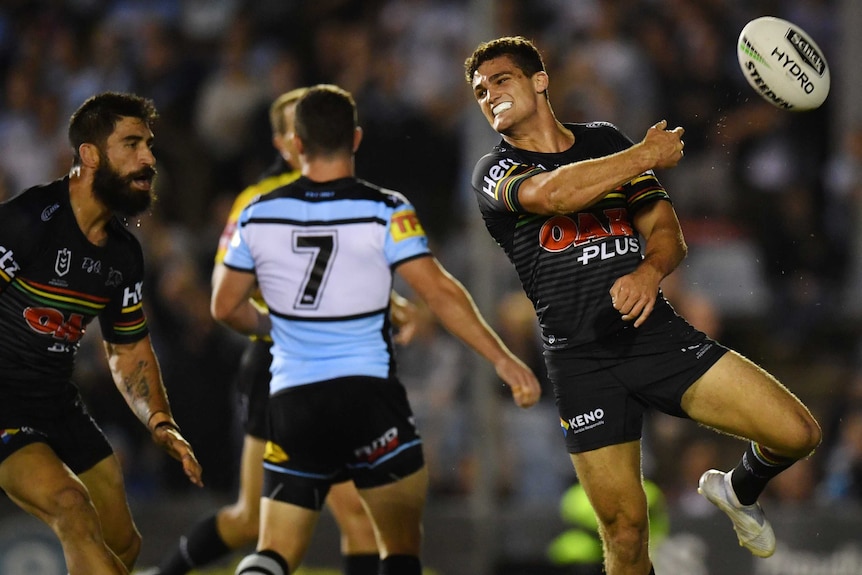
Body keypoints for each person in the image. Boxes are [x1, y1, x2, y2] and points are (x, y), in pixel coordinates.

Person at [463, 36, 821, 575]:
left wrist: (649, 272)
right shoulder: (493, 169)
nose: (489, 95)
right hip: (582, 362)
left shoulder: (604, 140)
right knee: (626, 534)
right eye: (479, 91)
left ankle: (739, 489)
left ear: (540, 81)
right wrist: (645, 154)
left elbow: (666, 232)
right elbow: (555, 195)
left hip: (655, 337)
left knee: (798, 434)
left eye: (501, 80)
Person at [211, 84, 542, 575]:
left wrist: (277, 327)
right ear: (357, 139)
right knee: (399, 547)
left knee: (275, 549)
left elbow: (223, 306)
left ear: (296, 144)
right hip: (369, 398)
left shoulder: (259, 213)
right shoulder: (385, 209)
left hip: (294, 400)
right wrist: (502, 359)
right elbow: (440, 293)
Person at [146, 87, 416, 575]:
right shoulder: (258, 200)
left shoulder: (341, 191)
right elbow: (227, 290)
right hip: (279, 363)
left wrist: (388, 304)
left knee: (353, 518)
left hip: (327, 368)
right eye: (296, 125)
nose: (305, 133)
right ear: (282, 140)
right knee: (254, 521)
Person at [0, 91, 203, 575]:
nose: (148, 158)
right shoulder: (27, 222)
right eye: (132, 144)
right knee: (71, 505)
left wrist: (160, 420)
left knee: (121, 545)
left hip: (56, 403)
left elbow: (128, 349)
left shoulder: (123, 256)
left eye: (149, 146)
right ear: (89, 155)